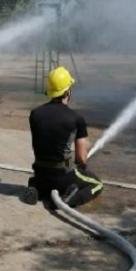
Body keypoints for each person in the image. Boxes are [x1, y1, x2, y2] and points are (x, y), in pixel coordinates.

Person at [22, 66, 104, 208]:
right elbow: (81, 158)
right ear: (68, 91)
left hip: (40, 173)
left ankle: (36, 189)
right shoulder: (76, 118)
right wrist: (84, 155)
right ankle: (69, 200)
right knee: (97, 184)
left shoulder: (35, 114)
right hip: (63, 176)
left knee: (41, 180)